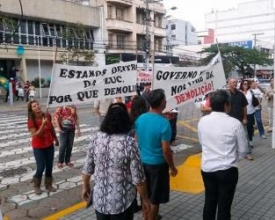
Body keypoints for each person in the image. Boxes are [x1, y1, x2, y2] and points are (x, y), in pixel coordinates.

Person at [82, 103, 150, 220]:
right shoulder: (130, 143)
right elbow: (138, 179)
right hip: (122, 202)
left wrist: (85, 186)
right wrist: (145, 199)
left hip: (100, 201)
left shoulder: (95, 139)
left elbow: (87, 169)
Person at [198, 90, 247, 220]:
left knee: (210, 201)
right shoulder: (234, 123)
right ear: (226, 105)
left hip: (207, 168)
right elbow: (243, 150)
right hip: (227, 170)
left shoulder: (202, 121)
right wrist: (231, 159)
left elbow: (202, 142)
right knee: (224, 205)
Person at [135, 89, 178, 220]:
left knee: (145, 196)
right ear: (161, 102)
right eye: (165, 99)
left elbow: (136, 140)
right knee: (155, 199)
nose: (166, 101)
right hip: (158, 165)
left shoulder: (140, 118)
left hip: (143, 162)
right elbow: (166, 150)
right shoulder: (164, 123)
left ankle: (145, 216)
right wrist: (172, 167)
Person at [27, 100, 59, 195]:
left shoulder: (47, 115)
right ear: (31, 110)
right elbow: (36, 135)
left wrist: (55, 138)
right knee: (41, 167)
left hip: (49, 144)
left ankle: (48, 184)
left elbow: (51, 128)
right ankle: (36, 185)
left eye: (38, 104)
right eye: (34, 106)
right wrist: (43, 124)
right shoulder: (31, 121)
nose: (37, 106)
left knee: (49, 166)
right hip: (38, 147)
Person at [239, 79, 255, 160]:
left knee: (249, 128)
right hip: (242, 114)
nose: (245, 85)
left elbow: (255, 100)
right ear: (241, 85)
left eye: (247, 84)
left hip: (250, 112)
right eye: (244, 84)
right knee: (243, 132)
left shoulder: (251, 92)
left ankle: (250, 141)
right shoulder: (239, 93)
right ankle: (246, 148)